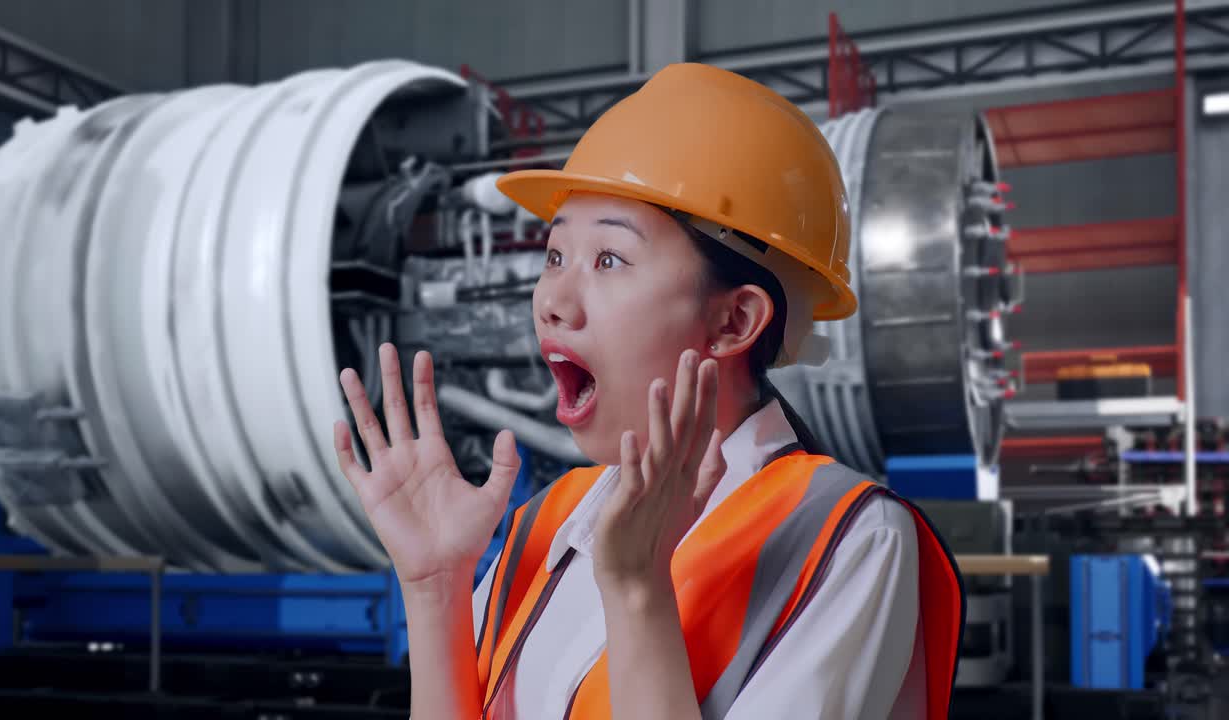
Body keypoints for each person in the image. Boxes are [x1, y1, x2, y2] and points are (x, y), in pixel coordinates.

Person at [333, 63, 964, 720]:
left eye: (609, 259)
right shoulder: (547, 523)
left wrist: (639, 592)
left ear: (734, 321)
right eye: (555, 256)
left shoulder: (848, 539)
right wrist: (437, 587)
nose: (553, 301)